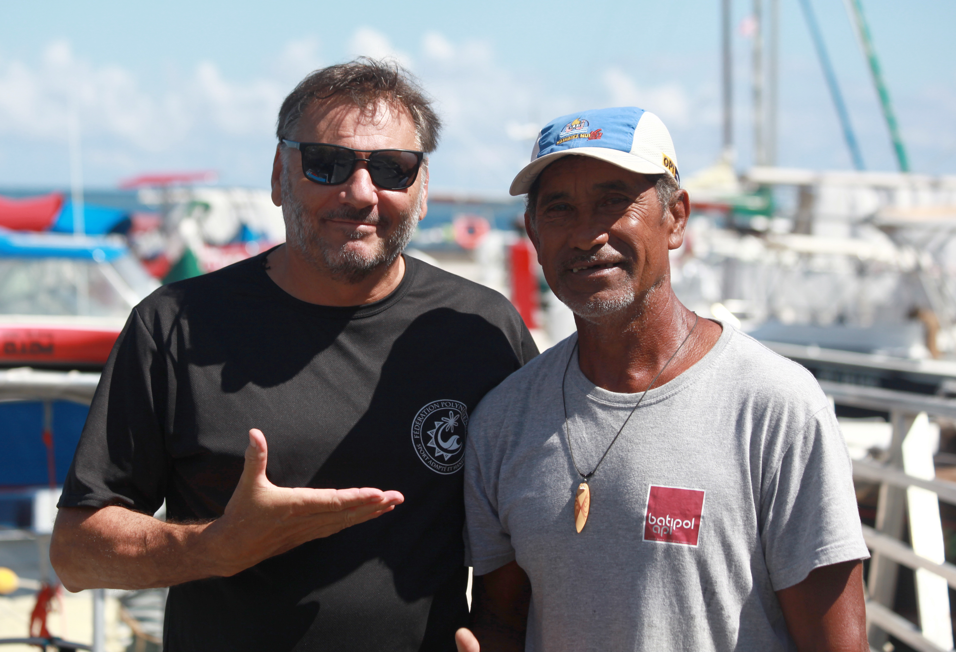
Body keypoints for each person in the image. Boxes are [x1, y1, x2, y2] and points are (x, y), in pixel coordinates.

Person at [49, 59, 537, 651]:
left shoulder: (481, 329)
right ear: (280, 177)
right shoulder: (175, 326)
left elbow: (528, 529)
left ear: (423, 188)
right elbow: (75, 552)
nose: (360, 192)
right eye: (326, 163)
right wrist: (214, 548)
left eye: (392, 168)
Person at [457, 107, 869, 651]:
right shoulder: (503, 420)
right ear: (533, 232)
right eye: (559, 209)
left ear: (675, 218)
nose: (586, 234)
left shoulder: (775, 406)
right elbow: (502, 621)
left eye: (613, 201)